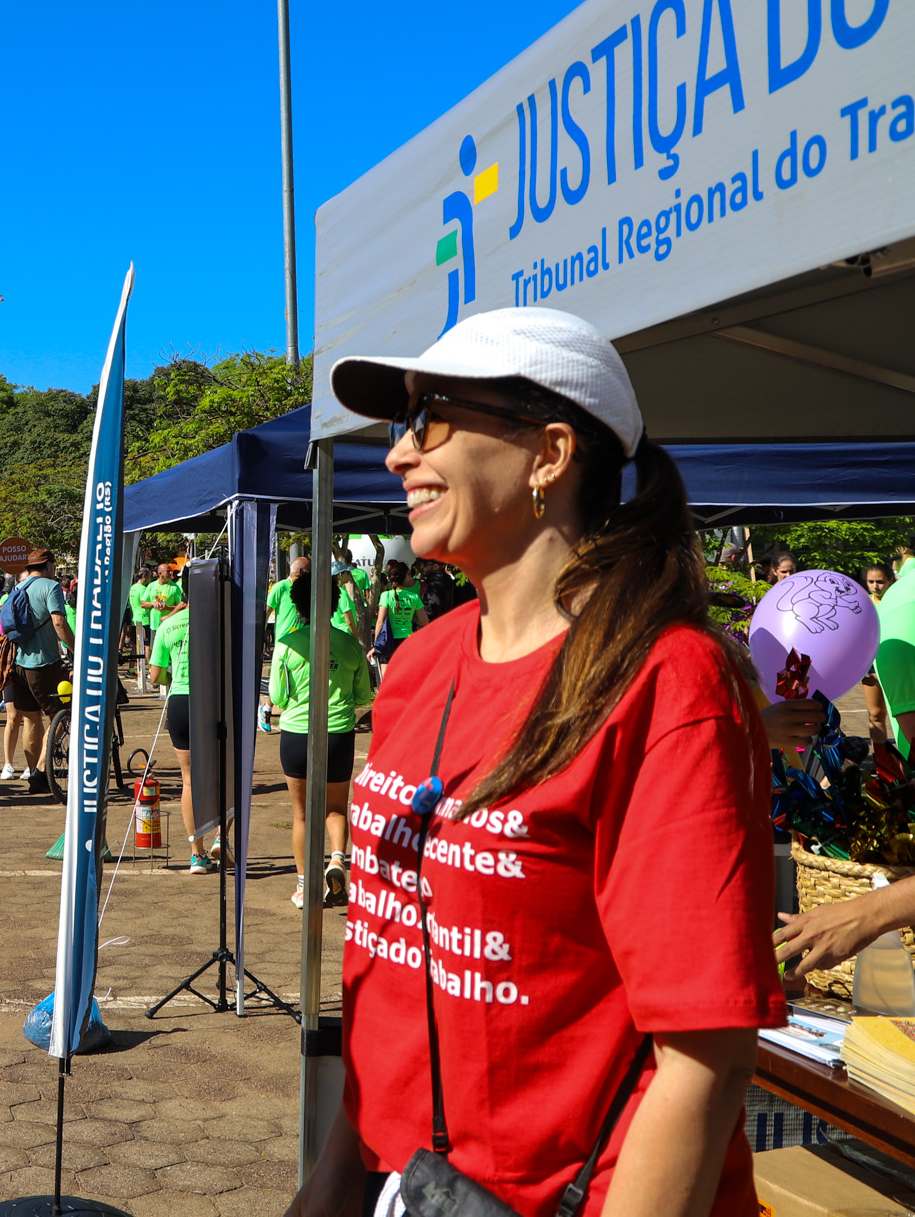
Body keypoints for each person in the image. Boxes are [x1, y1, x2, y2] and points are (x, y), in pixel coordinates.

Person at [287, 307, 779, 1217]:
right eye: (400, 425)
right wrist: (330, 1182)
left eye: (428, 416)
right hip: (406, 1188)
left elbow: (705, 1057)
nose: (397, 455)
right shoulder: (422, 662)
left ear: (550, 453)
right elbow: (397, 975)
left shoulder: (667, 682)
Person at [270, 565, 373, 909]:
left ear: (297, 605)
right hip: (339, 733)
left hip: (297, 734)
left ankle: (304, 886)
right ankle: (338, 859)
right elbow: (364, 696)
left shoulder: (286, 645)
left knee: (301, 814)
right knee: (335, 807)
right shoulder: (350, 645)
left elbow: (278, 697)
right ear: (333, 603)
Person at [148, 589, 217, 875]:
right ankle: (222, 838)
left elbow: (154, 675)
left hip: (179, 701)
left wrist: (173, 676)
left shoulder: (167, 624)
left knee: (188, 780)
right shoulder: (218, 620)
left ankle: (196, 855)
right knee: (224, 773)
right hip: (213, 699)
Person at [0, 549, 71, 793]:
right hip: (44, 662)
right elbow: (59, 622)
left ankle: (33, 775)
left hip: (17, 661)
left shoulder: (18, 587)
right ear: (49, 565)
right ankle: (41, 771)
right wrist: (76, 648)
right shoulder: (50, 587)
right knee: (61, 713)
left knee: (30, 718)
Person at [862, 562, 898, 761]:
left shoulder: (898, 601)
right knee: (875, 715)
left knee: (901, 714)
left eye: (880, 582)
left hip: (895, 662)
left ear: (890, 580)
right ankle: (882, 761)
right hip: (871, 664)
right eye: (871, 582)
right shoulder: (863, 603)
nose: (875, 586)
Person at [368, 560, 427, 665]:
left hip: (389, 642)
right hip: (409, 642)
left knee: (388, 678)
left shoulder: (386, 596)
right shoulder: (414, 597)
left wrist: (377, 645)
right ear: (405, 578)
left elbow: (380, 622)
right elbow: (424, 622)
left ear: (389, 578)